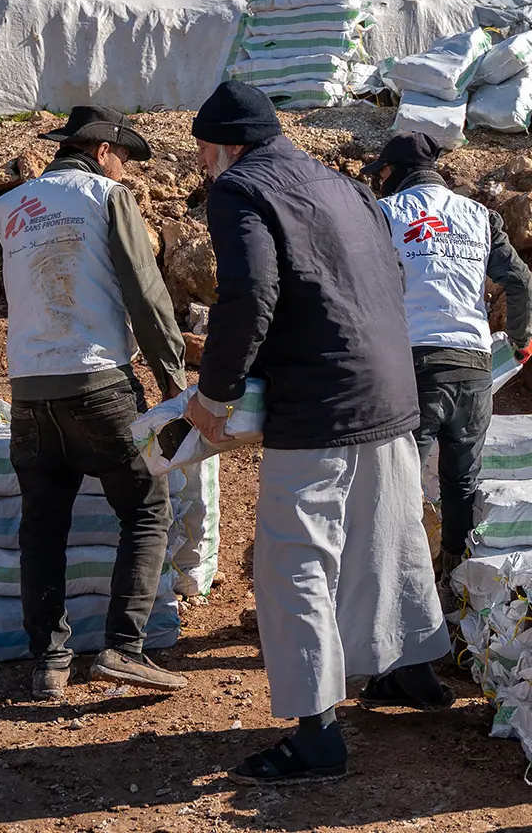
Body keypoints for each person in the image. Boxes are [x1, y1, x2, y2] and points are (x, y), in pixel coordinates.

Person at [183, 82, 451, 786]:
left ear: (227, 146)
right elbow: (390, 277)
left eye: (206, 152)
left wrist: (217, 393)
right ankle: (413, 675)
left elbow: (250, 296)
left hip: (319, 405)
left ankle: (316, 736)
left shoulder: (240, 190)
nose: (206, 165)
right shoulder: (345, 186)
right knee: (387, 538)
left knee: (295, 561)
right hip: (389, 389)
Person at [0, 106, 190, 701]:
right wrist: (174, 382)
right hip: (101, 387)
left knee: (42, 526)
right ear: (103, 151)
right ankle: (124, 649)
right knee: (147, 508)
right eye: (123, 159)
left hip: (29, 394)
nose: (124, 172)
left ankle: (48, 661)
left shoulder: (9, 207)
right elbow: (145, 296)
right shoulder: (106, 197)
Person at [362, 132, 532, 575]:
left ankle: (395, 585)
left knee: (398, 484)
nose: (378, 181)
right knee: (460, 482)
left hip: (413, 367)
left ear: (394, 172)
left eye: (380, 172)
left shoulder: (383, 214)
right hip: (474, 366)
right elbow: (518, 283)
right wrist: (519, 338)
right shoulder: (480, 216)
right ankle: (452, 579)